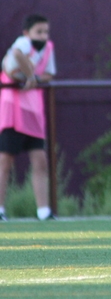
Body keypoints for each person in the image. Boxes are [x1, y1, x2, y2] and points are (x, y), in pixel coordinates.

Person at [0, 14, 57, 221]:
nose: (43, 36)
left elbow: (50, 74)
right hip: (13, 109)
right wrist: (29, 76)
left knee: (40, 160)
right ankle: (0, 208)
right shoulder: (22, 44)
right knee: (5, 160)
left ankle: (43, 210)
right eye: (38, 31)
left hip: (33, 111)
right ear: (27, 33)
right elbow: (16, 56)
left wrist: (35, 78)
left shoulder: (48, 48)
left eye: (45, 32)